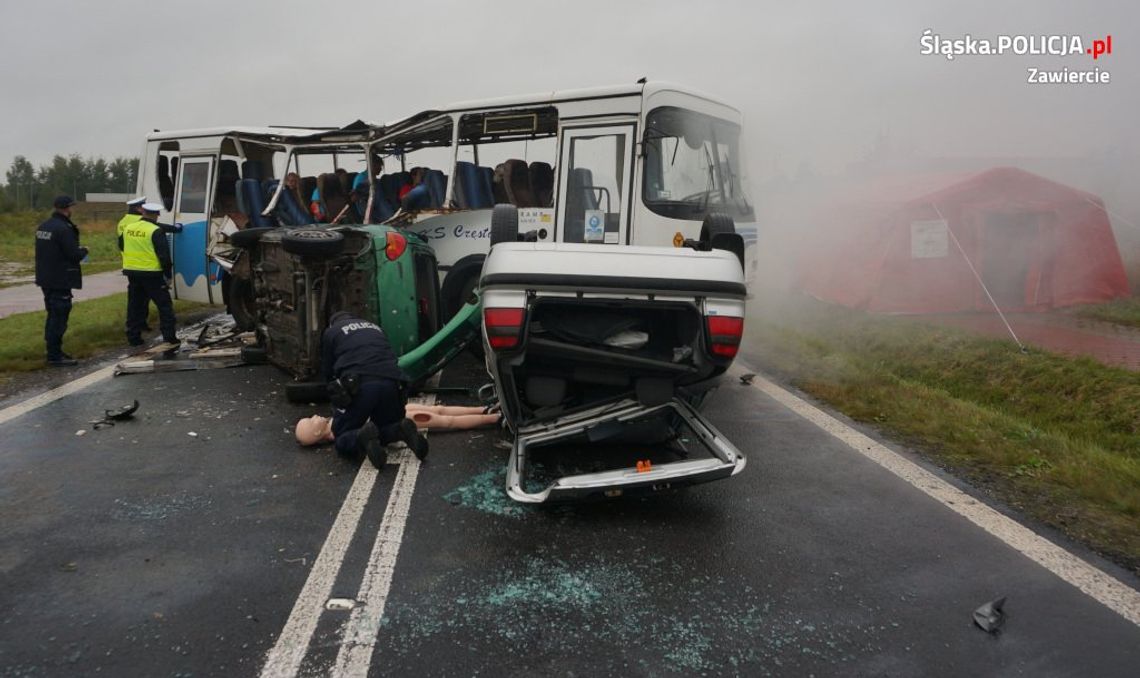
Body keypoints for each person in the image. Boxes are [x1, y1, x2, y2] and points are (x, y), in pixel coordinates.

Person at [298, 311, 428, 468]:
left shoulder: (331, 332)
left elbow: (328, 370)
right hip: (393, 381)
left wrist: (337, 397)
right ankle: (400, 430)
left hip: (361, 383)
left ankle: (361, 437)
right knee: (385, 425)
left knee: (343, 437)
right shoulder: (375, 327)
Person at [34, 196, 88, 366]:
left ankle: (54, 350)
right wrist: (84, 251)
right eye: (72, 207)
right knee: (59, 316)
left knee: (52, 315)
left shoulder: (44, 226)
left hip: (46, 278)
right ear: (66, 208)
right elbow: (72, 254)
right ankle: (54, 356)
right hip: (60, 278)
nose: (73, 210)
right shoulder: (64, 229)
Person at [295, 405, 498, 449]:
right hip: (393, 415)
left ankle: (485, 409)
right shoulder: (343, 434)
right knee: (445, 421)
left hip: (392, 408)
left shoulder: (336, 423)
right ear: (316, 433)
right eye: (311, 421)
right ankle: (494, 417)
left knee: (440, 410)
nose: (314, 415)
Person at [120, 203, 178, 348]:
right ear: (156, 214)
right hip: (152, 274)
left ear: (143, 212)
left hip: (132, 272)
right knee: (164, 306)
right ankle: (169, 337)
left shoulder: (129, 228)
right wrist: (168, 275)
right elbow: (164, 256)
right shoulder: (155, 230)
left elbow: (121, 245)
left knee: (134, 305)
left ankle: (134, 337)